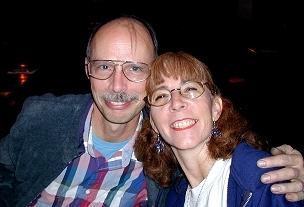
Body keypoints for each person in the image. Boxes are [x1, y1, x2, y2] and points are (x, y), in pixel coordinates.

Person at [0, 15, 303, 207]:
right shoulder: (41, 119)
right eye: (105, 66)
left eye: (135, 68)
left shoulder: (167, 148)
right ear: (87, 69)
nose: (117, 85)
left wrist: (292, 170)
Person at [134, 51, 304, 206]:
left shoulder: (258, 177)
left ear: (216, 108)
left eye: (191, 88)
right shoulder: (174, 197)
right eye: (161, 95)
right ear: (154, 124)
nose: (176, 103)